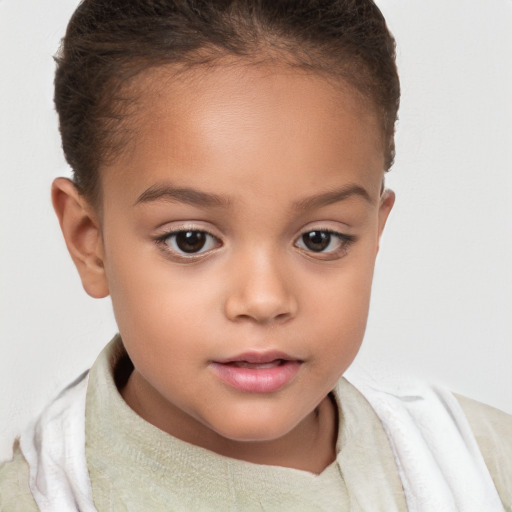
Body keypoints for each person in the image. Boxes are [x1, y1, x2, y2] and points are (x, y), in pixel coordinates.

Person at [0, 0, 510, 510]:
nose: (264, 300)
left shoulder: (486, 467)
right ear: (90, 241)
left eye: (319, 239)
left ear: (376, 231)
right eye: (190, 240)